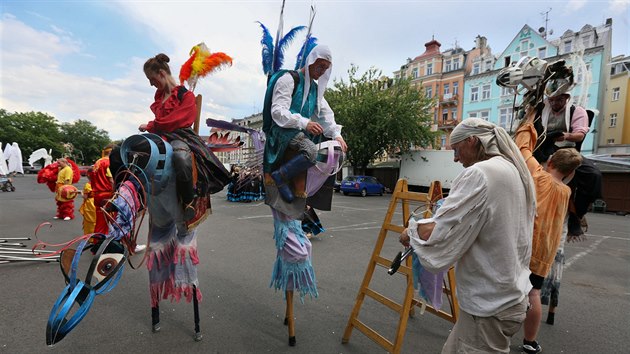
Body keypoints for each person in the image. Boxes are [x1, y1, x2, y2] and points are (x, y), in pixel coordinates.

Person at [399, 118, 536, 353]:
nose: (455, 158)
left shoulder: (481, 172)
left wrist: (410, 232)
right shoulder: (511, 169)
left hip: (490, 305)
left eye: (456, 149)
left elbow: (440, 231)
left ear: (472, 141)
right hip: (508, 297)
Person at [516, 109, 582, 354]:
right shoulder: (565, 192)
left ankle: (498, 330)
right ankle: (529, 341)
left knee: (512, 288)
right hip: (545, 252)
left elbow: (523, 149)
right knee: (533, 293)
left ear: (551, 162)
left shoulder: (539, 177)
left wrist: (529, 120)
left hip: (524, 246)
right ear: (571, 173)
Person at [141, 53, 219, 223]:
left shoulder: (186, 96)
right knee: (132, 152)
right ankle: (132, 197)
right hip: (160, 136)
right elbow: (161, 122)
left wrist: (150, 125)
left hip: (180, 136)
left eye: (151, 78)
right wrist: (152, 127)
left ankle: (188, 201)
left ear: (162, 73)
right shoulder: (159, 97)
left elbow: (177, 121)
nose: (150, 83)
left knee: (181, 158)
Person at [263, 44, 347, 203]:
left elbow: (326, 115)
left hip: (299, 134)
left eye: (326, 68)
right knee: (311, 151)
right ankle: (280, 176)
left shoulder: (316, 91)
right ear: (312, 61)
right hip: (283, 132)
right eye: (320, 66)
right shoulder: (289, 79)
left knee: (330, 154)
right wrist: (304, 123)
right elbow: (278, 111)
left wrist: (337, 136)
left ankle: (307, 196)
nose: (322, 71)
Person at [536, 91, 602, 240]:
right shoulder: (542, 109)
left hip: (568, 149)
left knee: (594, 175)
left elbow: (580, 134)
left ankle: (576, 215)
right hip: (544, 148)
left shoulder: (577, 111)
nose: (554, 103)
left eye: (558, 100)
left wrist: (565, 135)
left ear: (566, 98)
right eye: (551, 100)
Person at [92, 144, 114, 234]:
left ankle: (98, 241)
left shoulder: (98, 162)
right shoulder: (109, 162)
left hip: (97, 193)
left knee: (100, 221)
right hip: (107, 194)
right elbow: (111, 180)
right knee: (114, 220)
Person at [79, 168, 96, 234]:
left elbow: (85, 197)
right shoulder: (99, 183)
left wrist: (81, 193)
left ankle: (90, 236)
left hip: (90, 203)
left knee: (90, 221)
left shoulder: (88, 185)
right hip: (97, 201)